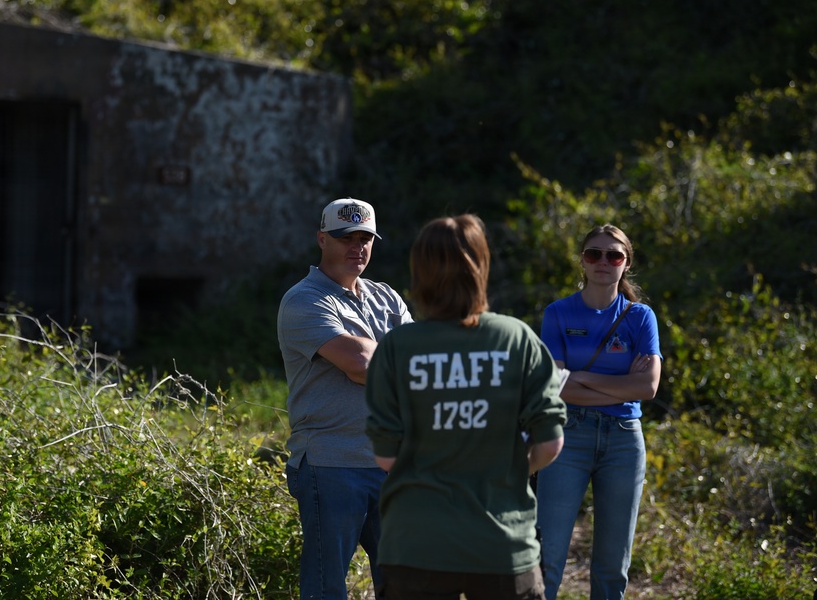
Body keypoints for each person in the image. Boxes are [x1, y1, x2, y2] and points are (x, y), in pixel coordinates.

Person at [364, 214, 567, 600]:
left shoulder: (396, 347)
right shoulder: (517, 339)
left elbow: (386, 456)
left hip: (416, 545)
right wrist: (507, 471)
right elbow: (550, 443)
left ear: (420, 272)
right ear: (482, 266)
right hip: (501, 543)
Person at [277, 197, 414, 599]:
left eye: (364, 238)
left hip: (392, 463)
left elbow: (420, 360)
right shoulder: (304, 299)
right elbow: (360, 364)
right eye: (345, 238)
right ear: (322, 239)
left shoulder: (386, 297)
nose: (357, 247)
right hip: (331, 463)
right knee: (326, 587)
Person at [536, 224, 662, 600]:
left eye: (614, 255)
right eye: (594, 254)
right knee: (547, 558)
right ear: (583, 261)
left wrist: (580, 376)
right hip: (566, 436)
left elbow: (648, 387)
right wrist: (620, 384)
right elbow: (553, 388)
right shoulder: (558, 313)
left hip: (624, 440)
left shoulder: (641, 317)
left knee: (612, 566)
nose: (603, 262)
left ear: (626, 263)